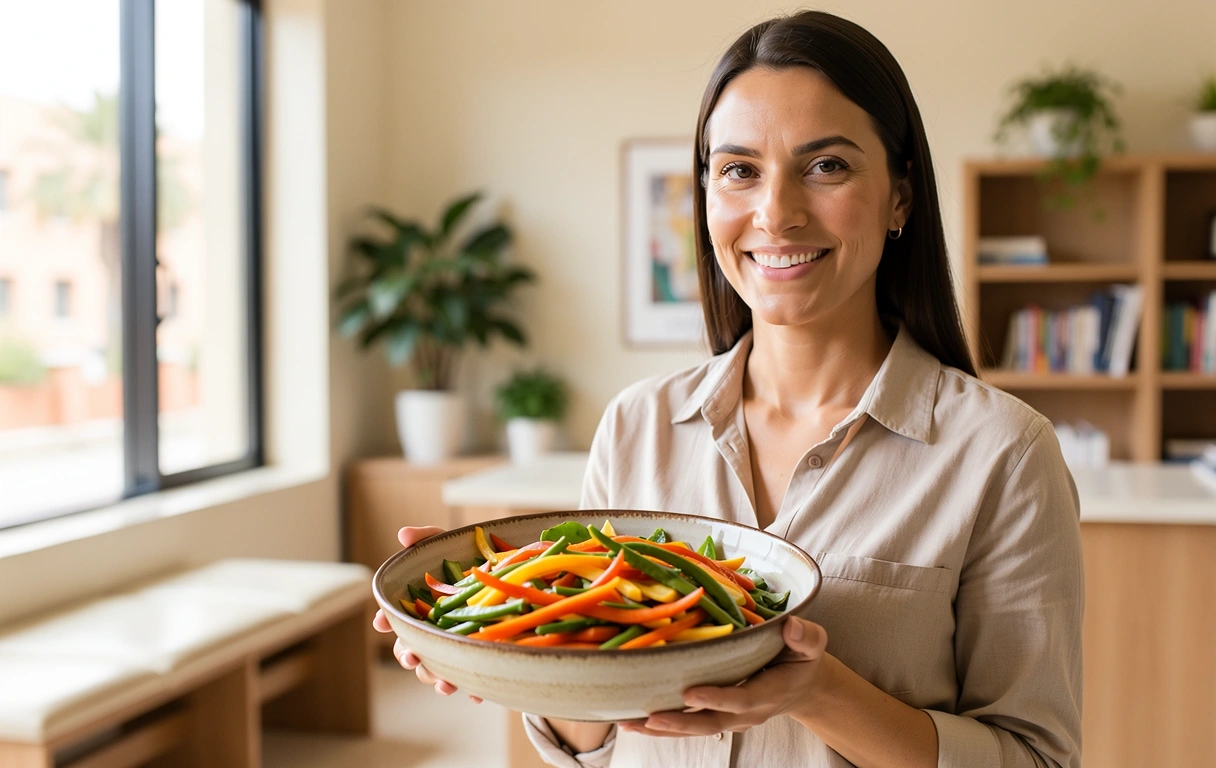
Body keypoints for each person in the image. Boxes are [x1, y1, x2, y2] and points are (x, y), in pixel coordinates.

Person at [373, 10, 1083, 768]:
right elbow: (599, 743)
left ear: (901, 197)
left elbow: (1036, 758)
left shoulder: (1004, 454)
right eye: (739, 170)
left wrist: (816, 692)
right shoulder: (635, 425)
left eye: (827, 166)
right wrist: (506, 637)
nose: (776, 212)